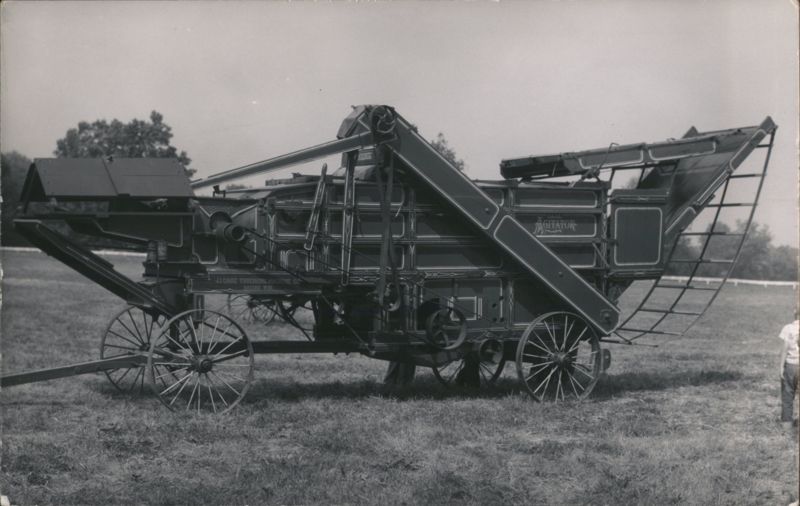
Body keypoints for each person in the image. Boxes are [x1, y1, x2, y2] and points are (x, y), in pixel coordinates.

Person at [779, 311, 799, 426]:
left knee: (787, 395)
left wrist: (781, 367)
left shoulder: (788, 328)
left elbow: (784, 349)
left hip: (791, 366)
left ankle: (786, 424)